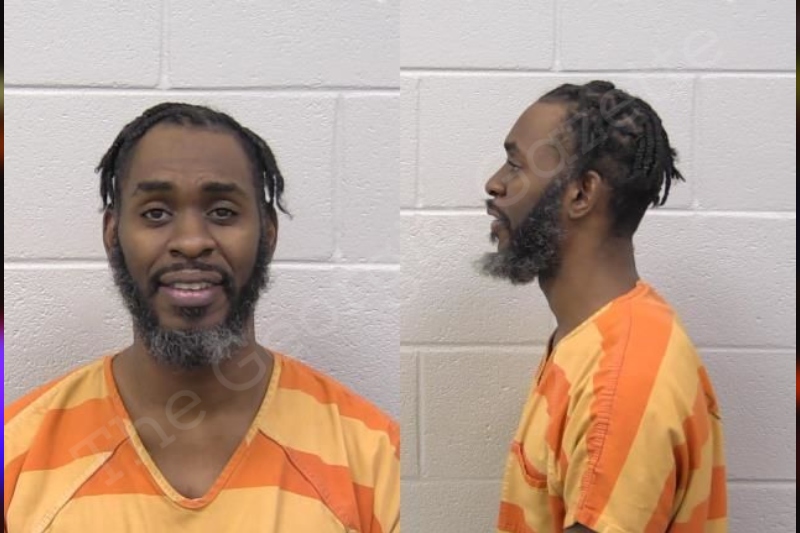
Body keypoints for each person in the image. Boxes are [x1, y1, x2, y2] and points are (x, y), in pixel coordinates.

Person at [4, 103, 399, 532]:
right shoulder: (16, 449)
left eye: (222, 212)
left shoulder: (374, 456)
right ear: (112, 233)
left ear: (268, 233)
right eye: (156, 213)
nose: (192, 242)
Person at [480, 81, 727, 532]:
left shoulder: (620, 383)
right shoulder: (594, 339)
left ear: (581, 194)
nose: (494, 184)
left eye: (516, 165)